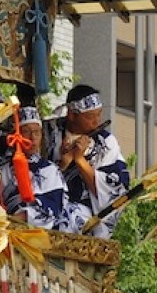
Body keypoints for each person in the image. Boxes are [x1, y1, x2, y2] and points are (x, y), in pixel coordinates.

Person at [49, 85, 130, 237]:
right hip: (48, 205)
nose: (96, 122)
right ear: (72, 115)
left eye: (99, 115)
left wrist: (80, 160)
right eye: (90, 117)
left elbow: (114, 190)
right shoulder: (48, 132)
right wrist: (63, 164)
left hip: (84, 215)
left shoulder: (106, 143)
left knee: (71, 218)